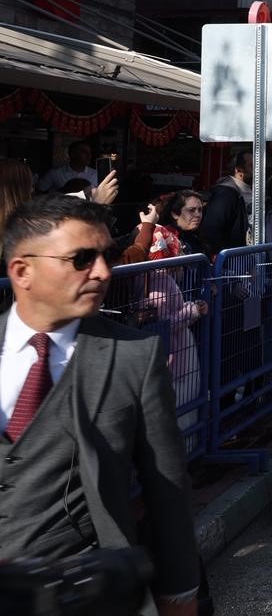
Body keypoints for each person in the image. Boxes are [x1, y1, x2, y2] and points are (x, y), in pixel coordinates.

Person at [0, 194, 200, 615]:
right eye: (81, 259)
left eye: (105, 255)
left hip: (92, 596)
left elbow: (167, 491)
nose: (104, 272)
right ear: (23, 271)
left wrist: (179, 595)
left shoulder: (133, 356)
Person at [198, 150, 251, 252]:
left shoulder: (246, 190)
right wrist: (225, 255)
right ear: (239, 171)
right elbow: (212, 228)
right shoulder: (226, 194)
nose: (257, 170)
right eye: (252, 166)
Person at [151, 190, 210, 260]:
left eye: (200, 210)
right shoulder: (163, 238)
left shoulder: (198, 236)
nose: (198, 215)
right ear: (175, 214)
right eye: (191, 210)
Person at [34, 139, 100, 195]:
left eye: (89, 152)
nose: (89, 156)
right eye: (84, 152)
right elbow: (39, 191)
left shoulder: (96, 174)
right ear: (72, 154)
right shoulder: (54, 173)